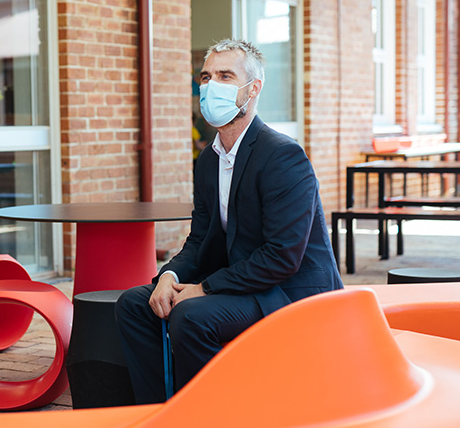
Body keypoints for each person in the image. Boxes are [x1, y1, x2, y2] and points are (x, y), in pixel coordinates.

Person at [115, 39, 343, 405]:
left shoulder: (283, 156)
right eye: (206, 77)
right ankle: (163, 413)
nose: (210, 86)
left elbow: (283, 257)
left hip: (290, 291)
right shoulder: (209, 160)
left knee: (190, 315)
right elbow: (200, 237)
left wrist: (203, 289)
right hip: (246, 282)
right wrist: (170, 278)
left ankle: (220, 416)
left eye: (225, 75)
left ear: (253, 88)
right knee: (134, 303)